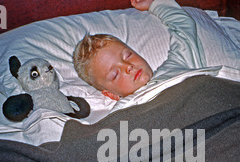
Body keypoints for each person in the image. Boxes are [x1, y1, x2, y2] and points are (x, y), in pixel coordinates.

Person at [73, 0, 219, 105]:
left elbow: (183, 27)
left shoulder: (177, 65)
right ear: (111, 95)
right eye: (115, 74)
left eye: (127, 55)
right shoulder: (124, 110)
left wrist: (154, 3)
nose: (128, 66)